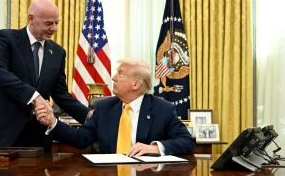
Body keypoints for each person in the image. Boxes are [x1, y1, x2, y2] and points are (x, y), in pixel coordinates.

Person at [0, 0, 89, 152]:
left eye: (57, 22)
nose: (54, 28)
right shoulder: (7, 38)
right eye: (49, 23)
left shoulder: (57, 52)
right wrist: (34, 96)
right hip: (4, 132)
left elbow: (61, 95)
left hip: (38, 136)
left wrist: (91, 118)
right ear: (31, 19)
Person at [36, 59, 195, 156]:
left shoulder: (162, 109)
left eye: (120, 74)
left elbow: (187, 141)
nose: (113, 78)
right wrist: (52, 122)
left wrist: (155, 148)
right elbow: (82, 139)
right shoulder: (104, 107)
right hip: (109, 174)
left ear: (135, 84)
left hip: (146, 174)